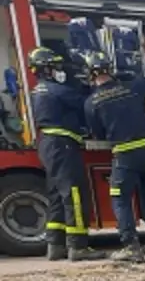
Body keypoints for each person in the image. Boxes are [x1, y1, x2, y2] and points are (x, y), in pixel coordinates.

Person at [83, 51, 145, 263]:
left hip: (126, 154)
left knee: (120, 199)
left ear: (89, 74)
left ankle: (131, 247)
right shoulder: (130, 87)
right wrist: (127, 74)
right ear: (110, 69)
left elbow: (98, 134)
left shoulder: (91, 102)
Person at [28, 46, 102, 261]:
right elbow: (86, 105)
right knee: (74, 194)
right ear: (46, 69)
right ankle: (78, 246)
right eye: (56, 66)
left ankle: (56, 245)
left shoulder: (37, 90)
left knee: (56, 196)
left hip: (48, 146)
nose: (59, 70)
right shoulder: (56, 90)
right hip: (62, 144)